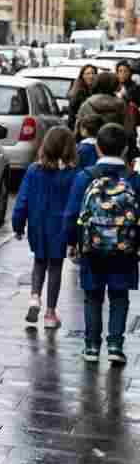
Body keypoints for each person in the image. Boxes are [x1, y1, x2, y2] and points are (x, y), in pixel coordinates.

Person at [63, 123, 140, 365]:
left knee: (92, 296)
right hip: (125, 251)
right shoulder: (133, 180)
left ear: (97, 148)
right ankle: (115, 346)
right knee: (119, 296)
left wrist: (70, 242)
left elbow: (71, 214)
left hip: (91, 248)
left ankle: (92, 347)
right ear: (126, 149)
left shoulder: (85, 177)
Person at [13, 126, 78, 329]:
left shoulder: (34, 170)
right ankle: (50, 313)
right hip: (60, 227)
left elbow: (21, 200)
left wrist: (18, 225)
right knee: (56, 267)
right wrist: (75, 237)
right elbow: (75, 205)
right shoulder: (72, 174)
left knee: (39, 262)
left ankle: (34, 297)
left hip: (37, 224)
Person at [76, 72, 129, 136]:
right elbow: (128, 130)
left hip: (90, 143)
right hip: (114, 142)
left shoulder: (87, 104)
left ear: (97, 83)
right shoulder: (122, 105)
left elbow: (78, 129)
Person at [67, 64, 97, 130]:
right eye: (87, 74)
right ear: (82, 76)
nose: (91, 76)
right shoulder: (77, 93)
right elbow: (72, 117)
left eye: (93, 73)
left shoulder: (98, 91)